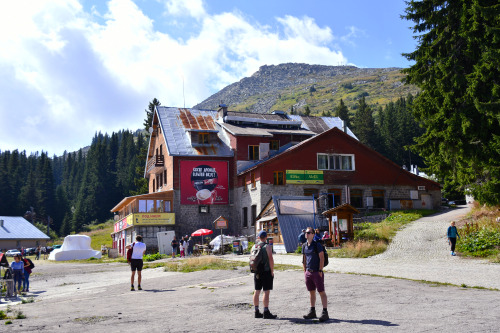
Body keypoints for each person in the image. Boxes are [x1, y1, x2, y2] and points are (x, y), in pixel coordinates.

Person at [302, 227, 329, 322]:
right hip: (308, 272)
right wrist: (305, 271)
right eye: (306, 232)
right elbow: (304, 259)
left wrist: (320, 270)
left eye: (309, 232)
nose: (307, 234)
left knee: (321, 291)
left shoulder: (317, 245)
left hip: (317, 272)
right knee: (311, 291)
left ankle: (325, 312)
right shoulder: (304, 246)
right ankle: (312, 311)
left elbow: (321, 258)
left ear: (313, 234)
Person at [252, 230, 277, 319]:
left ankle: (256, 311)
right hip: (265, 271)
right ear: (266, 237)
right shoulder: (267, 246)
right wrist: (272, 271)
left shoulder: (254, 246)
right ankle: (266, 311)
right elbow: (270, 259)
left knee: (257, 291)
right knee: (266, 291)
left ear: (259, 237)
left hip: (257, 272)